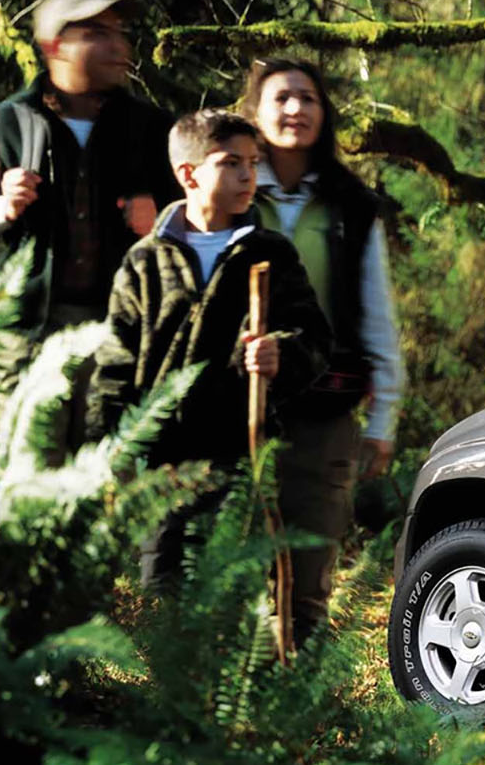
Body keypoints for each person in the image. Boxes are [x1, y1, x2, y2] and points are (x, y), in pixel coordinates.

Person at [89, 110, 331, 595]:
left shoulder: (270, 254)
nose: (249, 176)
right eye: (231, 163)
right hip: (163, 465)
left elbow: (314, 337)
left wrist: (282, 354)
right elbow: (115, 364)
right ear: (188, 174)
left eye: (253, 162)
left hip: (239, 456)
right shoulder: (144, 263)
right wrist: (107, 447)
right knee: (163, 590)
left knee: (231, 592)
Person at [239, 57, 404, 643]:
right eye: (281, 97)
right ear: (254, 112)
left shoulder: (350, 205)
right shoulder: (228, 190)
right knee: (231, 570)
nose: (296, 110)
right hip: (231, 407)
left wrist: (382, 419)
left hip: (324, 410)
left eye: (308, 99)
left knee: (308, 573)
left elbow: (377, 313)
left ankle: (293, 711)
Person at [0, 0, 176, 332]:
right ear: (54, 46)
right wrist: (0, 208)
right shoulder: (4, 124)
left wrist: (162, 218)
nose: (117, 45)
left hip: (124, 328)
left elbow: (206, 213)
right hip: (22, 327)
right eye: (96, 33)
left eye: (118, 32)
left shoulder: (154, 128)